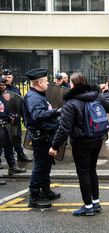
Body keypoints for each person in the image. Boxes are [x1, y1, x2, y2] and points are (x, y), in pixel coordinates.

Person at [49, 72, 109, 216]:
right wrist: (104, 93)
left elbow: (64, 128)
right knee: (92, 170)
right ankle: (96, 203)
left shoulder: (71, 102)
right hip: (97, 138)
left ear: (73, 84)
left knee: (83, 172)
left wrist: (54, 146)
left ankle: (88, 206)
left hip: (80, 141)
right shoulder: (95, 95)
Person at [23, 68, 61, 208]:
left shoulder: (39, 95)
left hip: (46, 136)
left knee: (46, 165)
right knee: (40, 167)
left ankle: (45, 191)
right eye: (45, 81)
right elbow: (37, 115)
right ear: (39, 82)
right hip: (41, 137)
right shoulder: (33, 97)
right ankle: (34, 197)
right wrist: (55, 112)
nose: (48, 83)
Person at [1, 69, 32, 162]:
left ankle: (20, 154)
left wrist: (23, 116)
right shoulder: (1, 88)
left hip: (15, 117)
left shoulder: (15, 89)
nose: (7, 79)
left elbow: (20, 103)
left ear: (12, 77)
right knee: (3, 139)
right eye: (5, 77)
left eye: (9, 77)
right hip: (4, 118)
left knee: (17, 137)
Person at [0, 76, 26, 176]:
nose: (4, 87)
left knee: (9, 147)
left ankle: (12, 167)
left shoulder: (3, 96)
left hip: (5, 126)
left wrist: (9, 116)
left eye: (4, 85)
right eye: (1, 85)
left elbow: (4, 111)